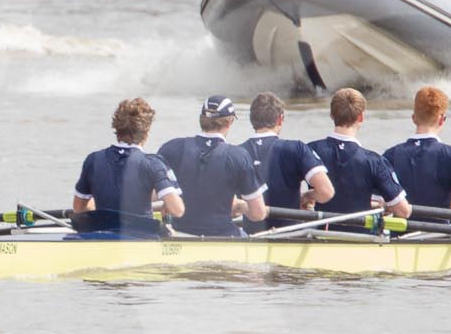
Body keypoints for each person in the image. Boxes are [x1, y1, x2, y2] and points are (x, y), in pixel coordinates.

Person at [70, 97, 185, 236]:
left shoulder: (93, 159)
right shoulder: (153, 163)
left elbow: (78, 208)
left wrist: (108, 211)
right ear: (147, 131)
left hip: (102, 233)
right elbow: (177, 210)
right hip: (141, 236)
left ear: (116, 128)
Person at [156, 97, 267, 237]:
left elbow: (152, 193)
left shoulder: (171, 148)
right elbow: (258, 214)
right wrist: (241, 207)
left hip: (180, 234)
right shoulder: (239, 156)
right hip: (223, 237)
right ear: (230, 121)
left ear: (201, 119)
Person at [308, 88, 412, 218]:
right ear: (361, 117)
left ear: (331, 115)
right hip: (359, 235)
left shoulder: (309, 151)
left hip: (319, 232)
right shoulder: (374, 161)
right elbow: (403, 211)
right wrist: (383, 206)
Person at [383, 86, 451, 212]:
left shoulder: (391, 155)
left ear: (413, 118)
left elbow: (377, 202)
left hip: (402, 230)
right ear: (441, 119)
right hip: (438, 230)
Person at [240, 92, 332, 223]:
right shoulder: (297, 149)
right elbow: (326, 192)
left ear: (251, 119)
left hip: (251, 238)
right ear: (280, 119)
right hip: (290, 235)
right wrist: (306, 196)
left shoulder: (237, 153)